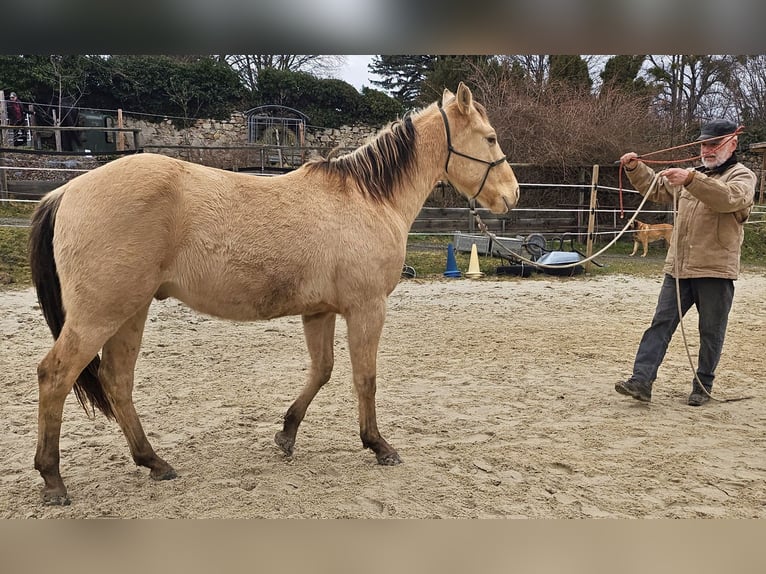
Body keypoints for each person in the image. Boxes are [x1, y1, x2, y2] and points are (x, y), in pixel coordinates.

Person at [615, 119, 756, 406]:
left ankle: (703, 385)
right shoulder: (691, 176)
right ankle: (641, 380)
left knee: (711, 331)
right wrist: (635, 168)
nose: (707, 149)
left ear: (732, 143)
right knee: (660, 324)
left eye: (713, 144)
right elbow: (655, 189)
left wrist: (691, 180)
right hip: (678, 268)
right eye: (704, 144)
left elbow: (727, 200)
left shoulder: (743, 177)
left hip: (716, 269)